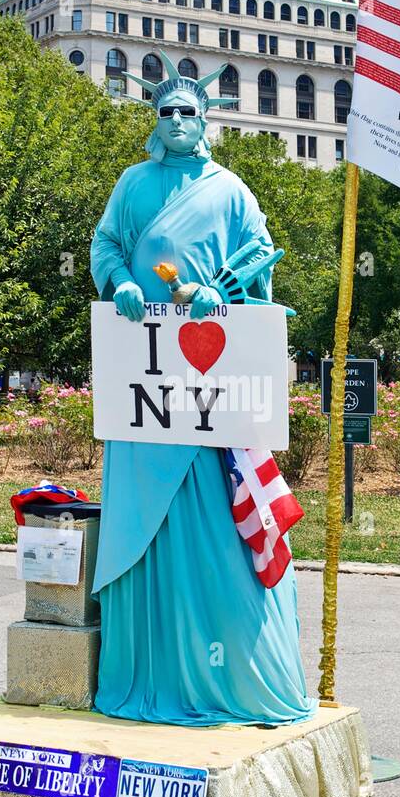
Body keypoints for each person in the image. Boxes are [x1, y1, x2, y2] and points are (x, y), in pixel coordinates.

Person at [89, 54, 316, 728]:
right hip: (143, 389)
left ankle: (239, 680)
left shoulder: (233, 190)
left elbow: (259, 256)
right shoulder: (131, 184)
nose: (179, 122)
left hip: (214, 395)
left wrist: (225, 290)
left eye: (189, 111)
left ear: (206, 118)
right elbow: (103, 246)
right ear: (155, 121)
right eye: (167, 113)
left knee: (222, 527)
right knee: (140, 528)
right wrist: (120, 282)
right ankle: (148, 671)